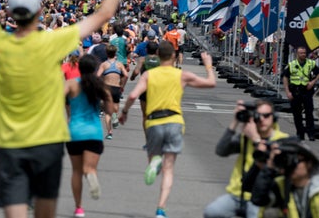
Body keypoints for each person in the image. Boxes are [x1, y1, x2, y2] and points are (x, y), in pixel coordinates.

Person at [0, 0, 135, 218]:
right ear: (40, 12)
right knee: (45, 210)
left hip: (11, 143)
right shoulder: (52, 42)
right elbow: (104, 14)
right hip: (48, 143)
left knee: (14, 210)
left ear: (11, 14)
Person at [118, 42, 217, 218]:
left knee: (155, 156)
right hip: (174, 121)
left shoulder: (149, 74)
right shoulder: (181, 75)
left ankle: (154, 161)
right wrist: (208, 65)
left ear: (158, 55)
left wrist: (124, 111)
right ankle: (161, 209)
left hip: (154, 121)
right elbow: (210, 83)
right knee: (169, 169)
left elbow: (133, 95)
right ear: (172, 56)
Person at [203, 100, 290, 218]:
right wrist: (235, 122)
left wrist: (256, 139)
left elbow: (272, 164)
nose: (262, 120)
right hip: (238, 193)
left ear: (274, 117)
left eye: (266, 116)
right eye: (258, 116)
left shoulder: (281, 139)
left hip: (263, 196)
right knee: (212, 212)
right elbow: (221, 150)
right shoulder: (246, 137)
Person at [64, 54, 115, 218]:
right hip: (93, 132)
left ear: (79, 68)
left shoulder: (71, 84)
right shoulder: (101, 86)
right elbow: (110, 110)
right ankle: (91, 175)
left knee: (76, 171)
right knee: (89, 168)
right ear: (94, 69)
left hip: (75, 132)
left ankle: (79, 208)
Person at [250, 139, 319, 218]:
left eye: (295, 161)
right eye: (287, 162)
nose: (291, 166)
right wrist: (270, 165)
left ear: (309, 163)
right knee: (270, 213)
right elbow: (258, 199)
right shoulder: (280, 185)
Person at [281, 46, 319, 141]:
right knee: (297, 114)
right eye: (301, 53)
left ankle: (311, 133)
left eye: (304, 53)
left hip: (306, 90)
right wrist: (287, 92)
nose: (303, 55)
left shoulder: (311, 63)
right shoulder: (291, 64)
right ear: (297, 54)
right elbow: (285, 77)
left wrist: (313, 82)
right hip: (295, 91)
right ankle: (300, 133)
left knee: (309, 113)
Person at [97, 44, 127, 139]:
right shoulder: (119, 64)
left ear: (106, 53)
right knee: (115, 108)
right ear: (115, 53)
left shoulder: (104, 64)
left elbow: (97, 76)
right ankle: (115, 116)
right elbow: (126, 75)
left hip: (106, 88)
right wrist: (122, 84)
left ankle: (109, 132)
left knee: (107, 112)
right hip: (116, 88)